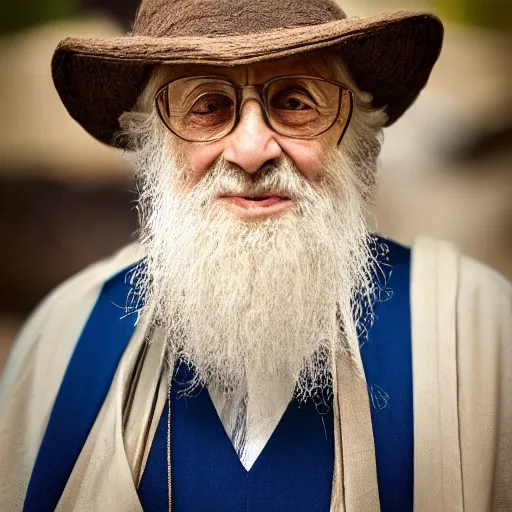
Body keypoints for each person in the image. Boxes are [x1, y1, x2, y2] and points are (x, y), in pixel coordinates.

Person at [0, 0, 510, 510]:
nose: (251, 150)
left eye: (294, 103)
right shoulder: (62, 336)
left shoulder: (482, 331)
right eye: (207, 106)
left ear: (357, 138)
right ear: (151, 143)